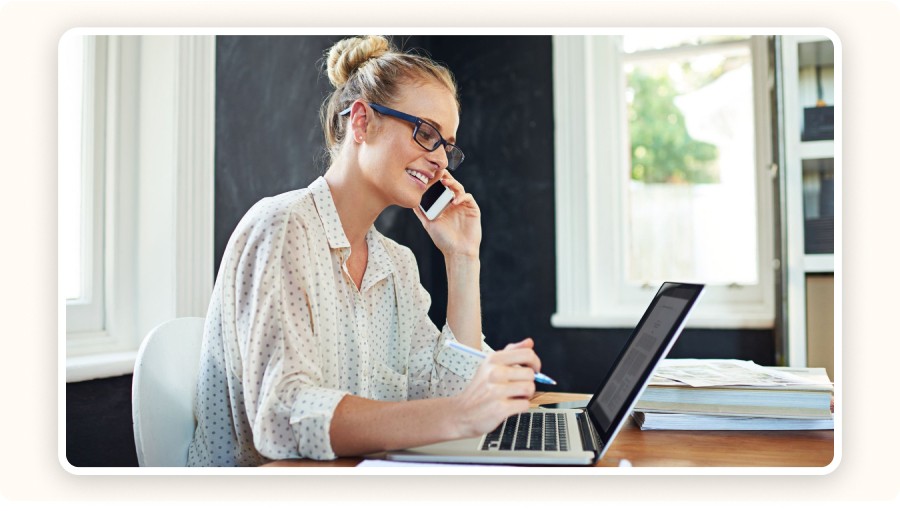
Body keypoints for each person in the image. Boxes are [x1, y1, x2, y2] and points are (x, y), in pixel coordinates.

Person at [186, 35, 543, 467]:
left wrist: (463, 258)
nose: (441, 161)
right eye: (426, 133)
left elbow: (447, 396)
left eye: (447, 145)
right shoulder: (282, 228)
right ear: (361, 122)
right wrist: (458, 414)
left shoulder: (396, 264)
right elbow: (281, 415)